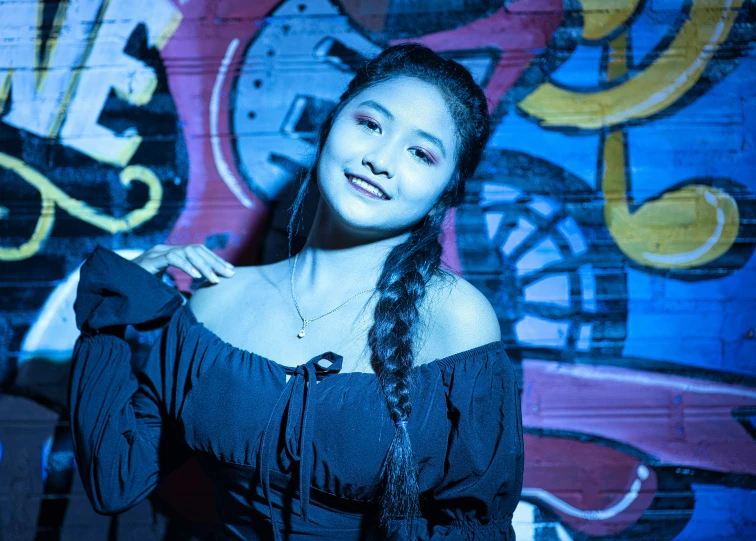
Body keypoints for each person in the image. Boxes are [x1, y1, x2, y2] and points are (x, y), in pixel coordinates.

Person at [69, 44, 524, 540]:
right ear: (329, 127)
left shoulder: (456, 319)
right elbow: (115, 479)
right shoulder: (216, 302)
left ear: (448, 189)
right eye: (370, 124)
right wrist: (117, 299)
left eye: (421, 152)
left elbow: (477, 527)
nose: (380, 159)